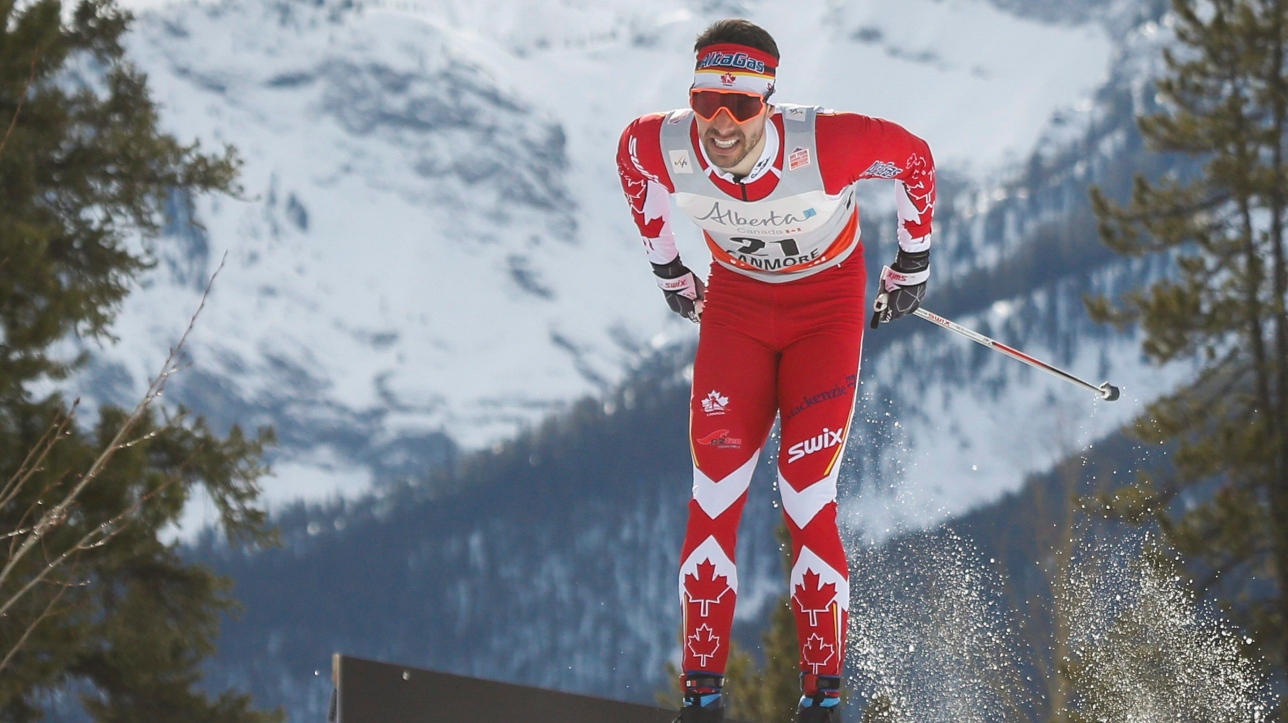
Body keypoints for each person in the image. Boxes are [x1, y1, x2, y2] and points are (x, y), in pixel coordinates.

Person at [615, 18, 935, 723]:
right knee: (714, 488)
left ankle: (821, 698)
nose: (721, 126)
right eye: (706, 105)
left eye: (741, 108)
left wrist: (913, 260)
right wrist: (668, 267)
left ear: (770, 102)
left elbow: (915, 159)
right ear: (691, 98)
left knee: (804, 492)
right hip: (736, 312)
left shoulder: (829, 142)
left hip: (825, 313)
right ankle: (700, 697)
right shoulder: (662, 143)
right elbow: (630, 163)